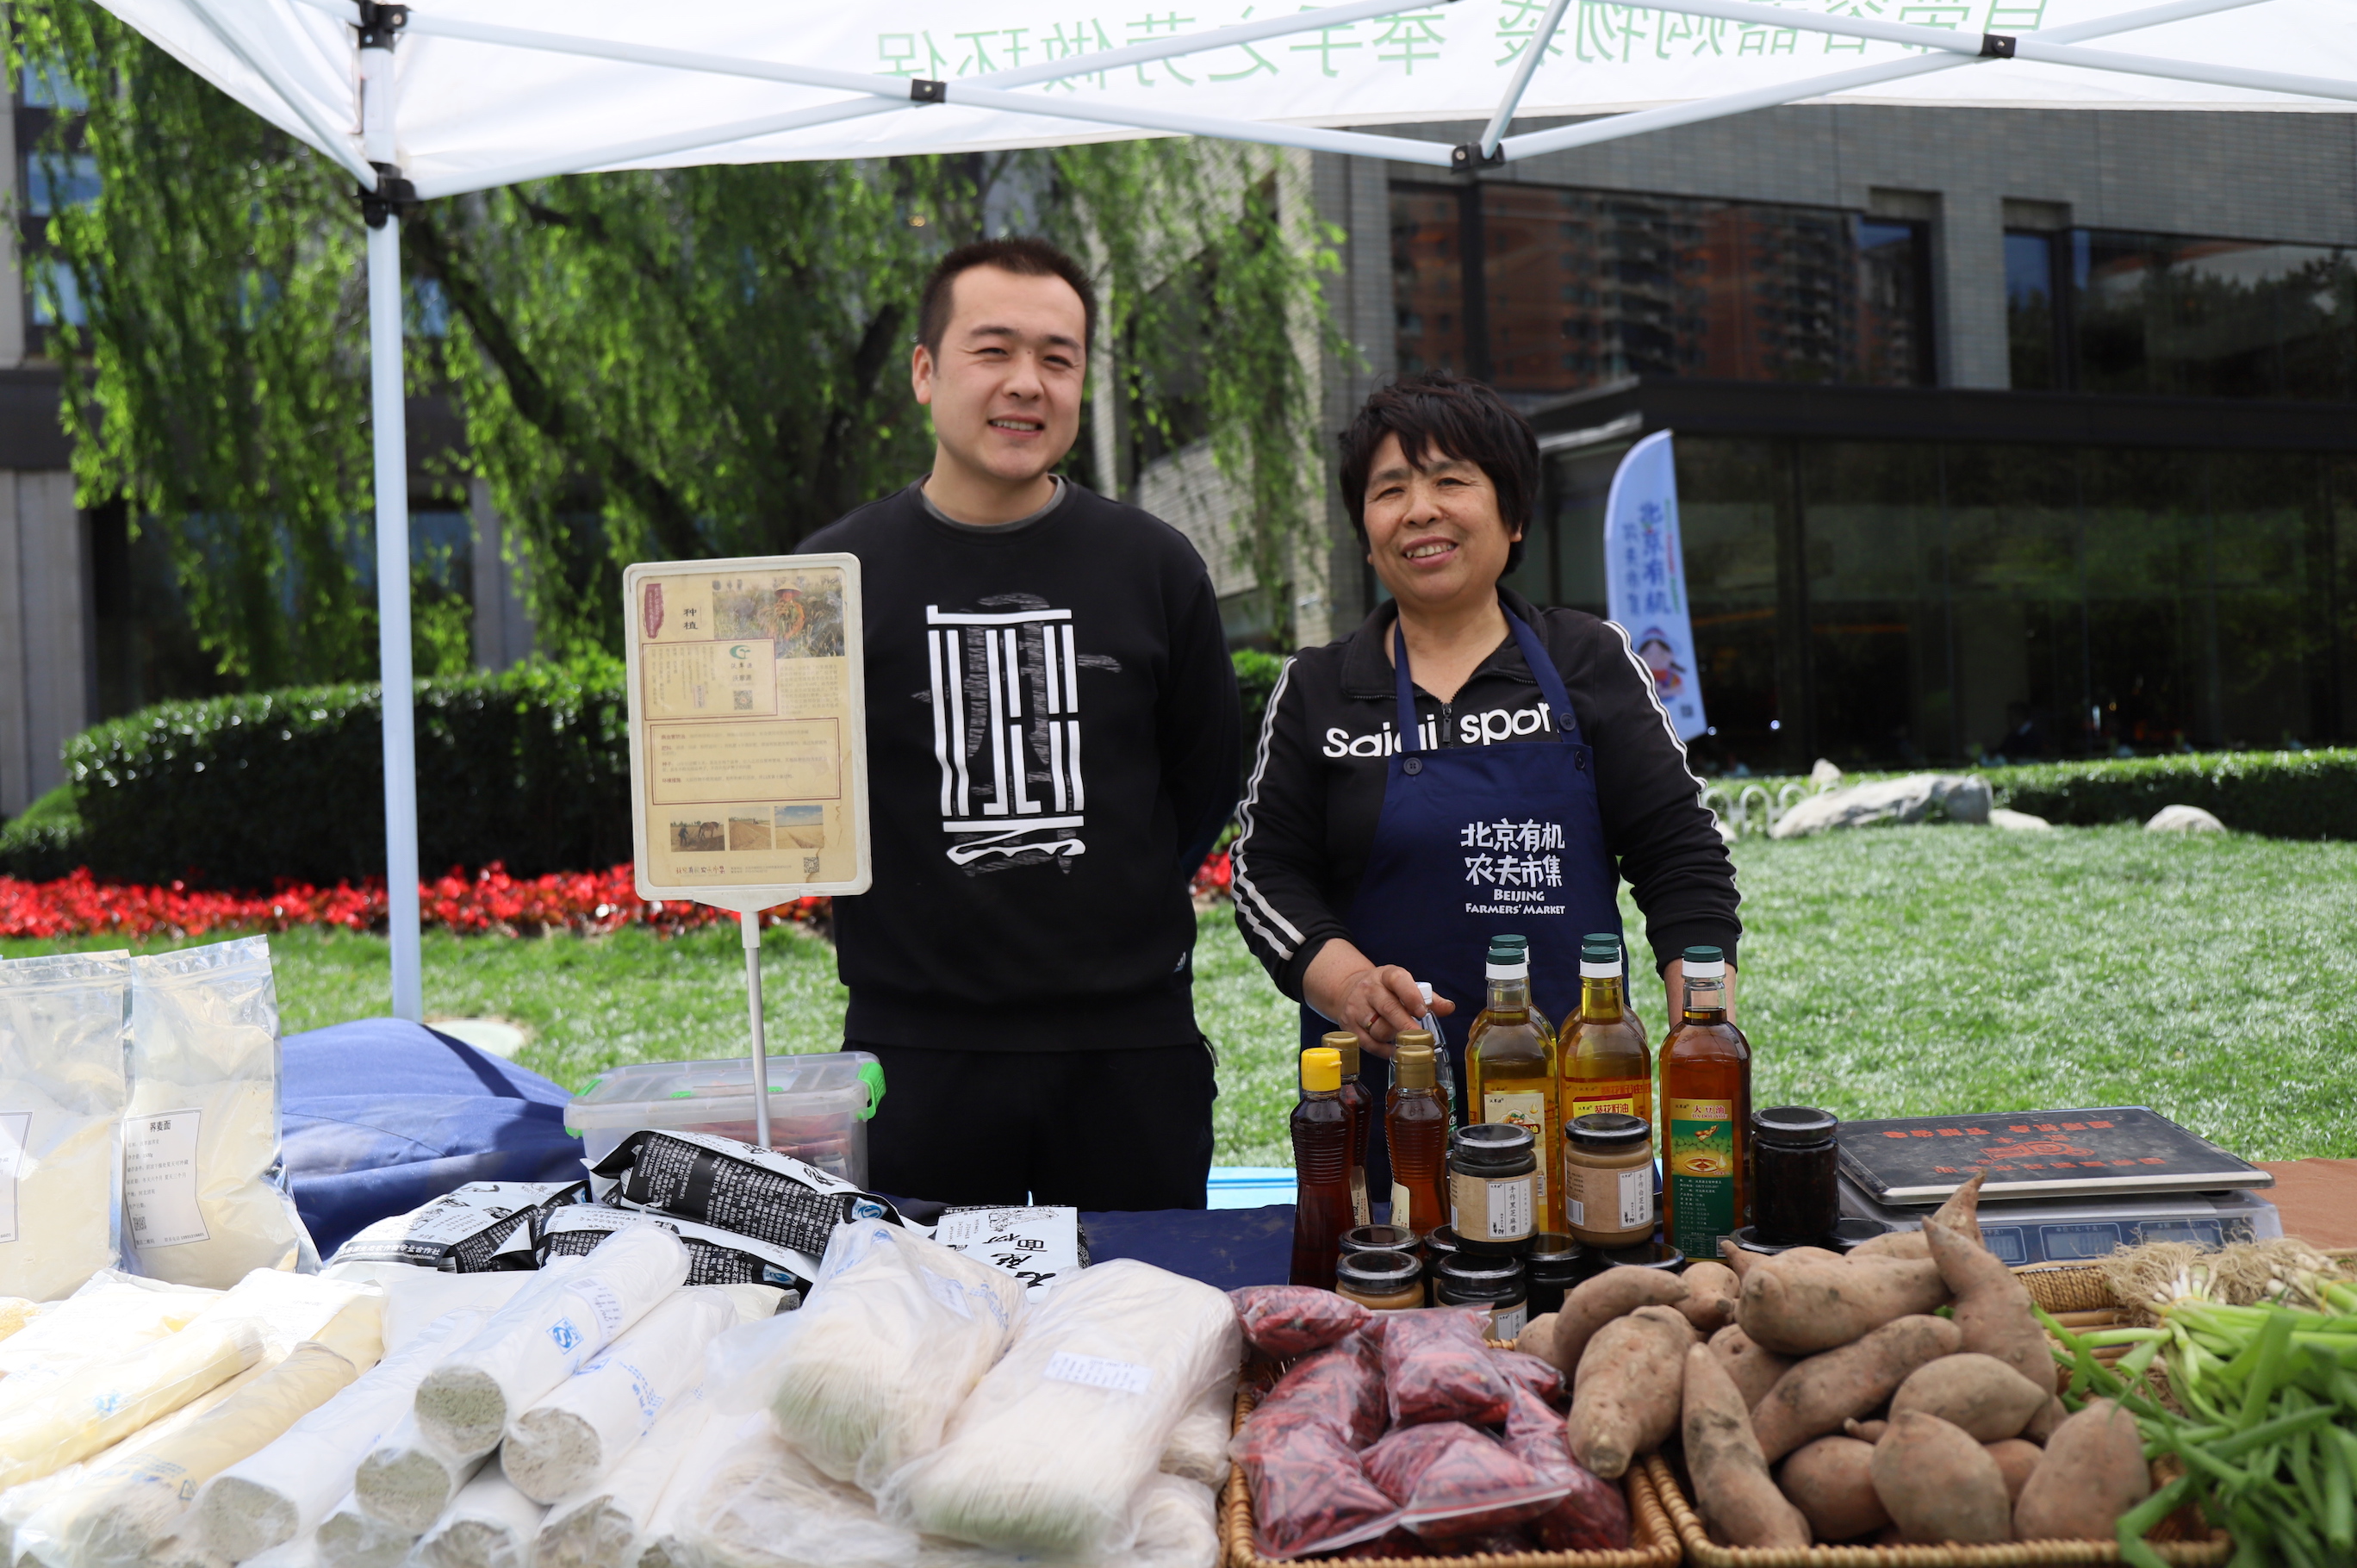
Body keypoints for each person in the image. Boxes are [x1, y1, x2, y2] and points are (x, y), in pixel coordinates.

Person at [799, 237, 1241, 1211]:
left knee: (1140, 1303)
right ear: (925, 372)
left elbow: (1202, 780)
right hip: (916, 1056)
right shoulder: (832, 578)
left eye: (1058, 357)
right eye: (993, 350)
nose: (1027, 383)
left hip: (1130, 1050)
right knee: (925, 1310)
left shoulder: (1156, 566)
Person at [1228, 372, 1739, 1198]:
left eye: (1451, 481)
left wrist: (1702, 1046)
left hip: (1581, 1100)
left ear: (1514, 515)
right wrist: (1351, 986)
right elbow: (1264, 875)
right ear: (1366, 533)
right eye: (1389, 490)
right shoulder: (1320, 688)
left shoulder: (1586, 660)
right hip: (1386, 1111)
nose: (1419, 510)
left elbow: (1682, 860)